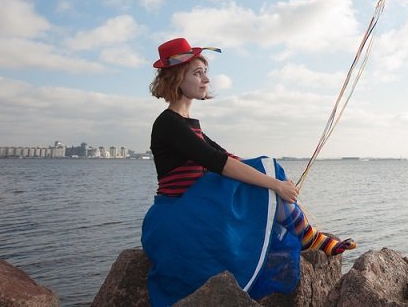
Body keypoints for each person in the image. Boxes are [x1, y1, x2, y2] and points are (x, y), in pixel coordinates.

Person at [141, 37, 355, 306]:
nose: (206, 79)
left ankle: (307, 235)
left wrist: (273, 178)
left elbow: (228, 156)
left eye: (205, 72)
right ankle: (308, 236)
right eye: (197, 73)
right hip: (176, 211)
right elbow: (218, 162)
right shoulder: (168, 123)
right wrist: (276, 185)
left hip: (193, 203)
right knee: (264, 179)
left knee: (265, 168)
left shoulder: (187, 123)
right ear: (176, 79)